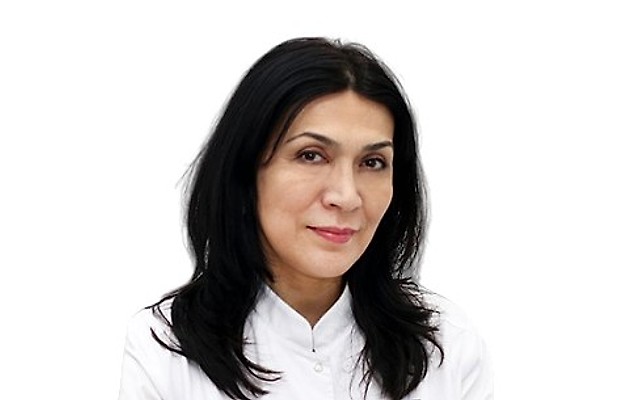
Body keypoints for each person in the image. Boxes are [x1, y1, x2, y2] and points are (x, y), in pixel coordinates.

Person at [118, 37, 492, 400]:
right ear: (245, 172)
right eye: (311, 155)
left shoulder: (447, 345)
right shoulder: (165, 350)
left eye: (372, 162)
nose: (346, 196)